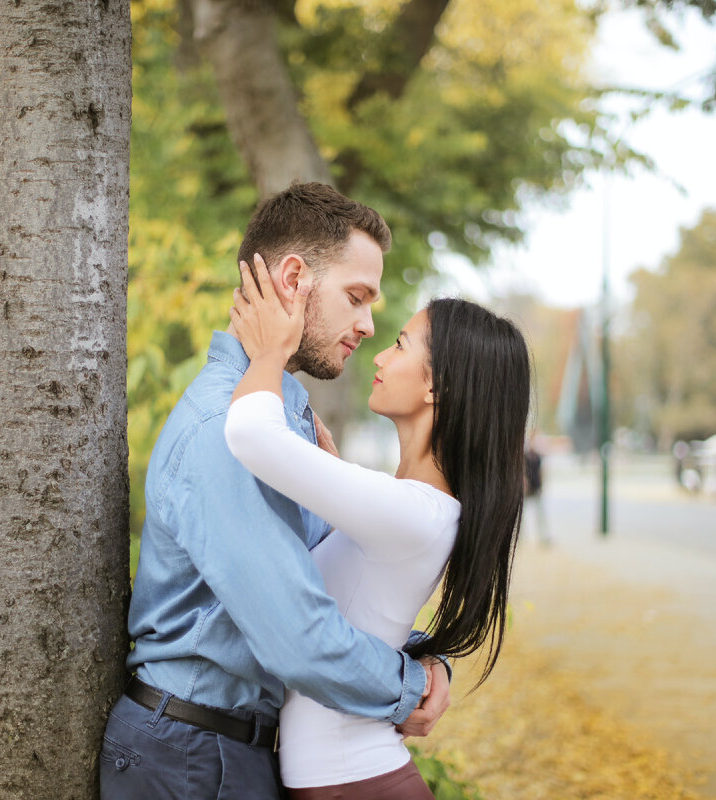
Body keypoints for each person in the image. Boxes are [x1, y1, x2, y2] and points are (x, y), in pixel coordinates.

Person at [99, 183, 450, 799]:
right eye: (356, 297)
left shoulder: (281, 417)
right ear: (293, 279)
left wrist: (424, 656)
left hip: (223, 748)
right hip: (193, 756)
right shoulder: (226, 430)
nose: (368, 325)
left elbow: (329, 584)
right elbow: (300, 637)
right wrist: (408, 686)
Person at [224, 260, 530, 799]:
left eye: (400, 344)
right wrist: (426, 660)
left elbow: (250, 432)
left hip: (356, 782)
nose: (381, 356)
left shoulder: (412, 513)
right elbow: (362, 616)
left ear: (438, 385)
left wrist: (271, 353)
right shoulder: (413, 509)